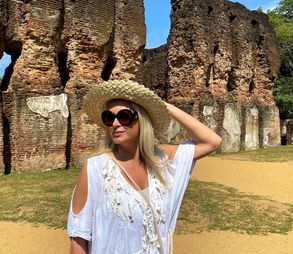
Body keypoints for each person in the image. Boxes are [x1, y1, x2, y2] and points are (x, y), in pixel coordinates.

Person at [67, 80, 222, 254]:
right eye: (109, 118)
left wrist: (159, 105)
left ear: (141, 119)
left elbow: (212, 141)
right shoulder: (95, 168)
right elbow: (79, 237)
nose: (115, 124)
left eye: (124, 116)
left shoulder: (161, 160)